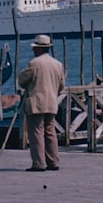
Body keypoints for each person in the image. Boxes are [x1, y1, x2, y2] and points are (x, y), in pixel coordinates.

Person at [17, 34, 66, 172]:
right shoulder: (58, 64)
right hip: (51, 102)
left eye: (35, 48)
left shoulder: (34, 63)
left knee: (37, 132)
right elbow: (61, 85)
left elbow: (21, 80)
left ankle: (39, 163)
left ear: (38, 49)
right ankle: (53, 161)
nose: (33, 51)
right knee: (50, 132)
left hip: (36, 103)